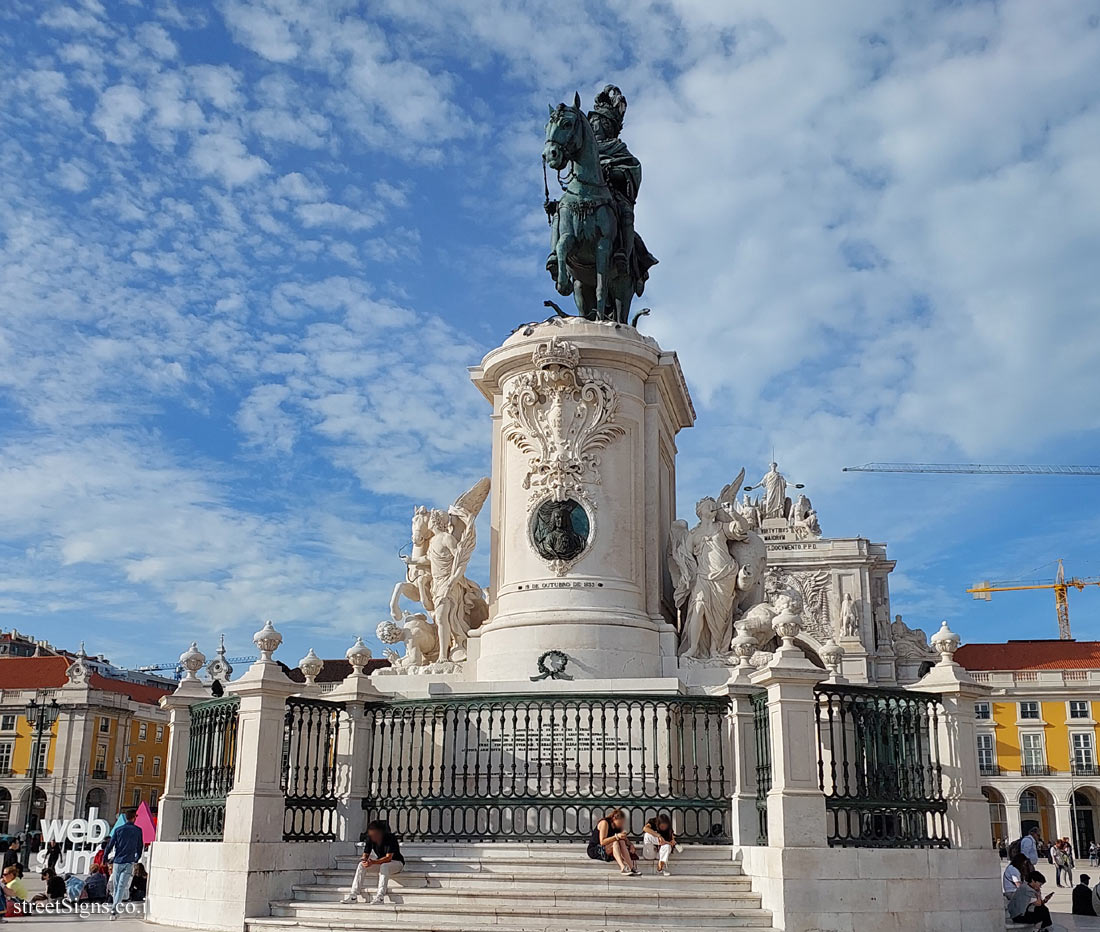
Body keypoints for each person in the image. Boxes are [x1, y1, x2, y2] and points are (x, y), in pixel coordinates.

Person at [340, 821, 405, 905]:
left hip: (396, 863)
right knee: (361, 865)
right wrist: (364, 860)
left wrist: (373, 862)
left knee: (384, 866)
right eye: (371, 835)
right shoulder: (370, 838)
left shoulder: (390, 838)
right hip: (380, 862)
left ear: (381, 833)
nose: (373, 837)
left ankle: (380, 897)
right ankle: (353, 895)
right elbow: (366, 853)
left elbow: (388, 858)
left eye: (375, 835)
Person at [104, 809, 144, 918]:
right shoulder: (138, 830)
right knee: (121, 886)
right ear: (134, 818)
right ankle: (114, 909)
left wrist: (105, 857)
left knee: (117, 886)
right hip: (129, 861)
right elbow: (140, 846)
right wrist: (137, 857)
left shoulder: (118, 830)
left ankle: (114, 908)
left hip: (117, 861)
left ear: (126, 818)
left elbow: (110, 845)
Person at [587, 809, 639, 876]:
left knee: (621, 841)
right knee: (615, 842)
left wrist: (631, 845)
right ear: (614, 819)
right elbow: (602, 841)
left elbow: (625, 839)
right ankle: (622, 867)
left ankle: (631, 867)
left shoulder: (618, 827)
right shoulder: (605, 823)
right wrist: (616, 836)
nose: (621, 824)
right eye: (620, 822)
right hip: (596, 849)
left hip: (607, 848)